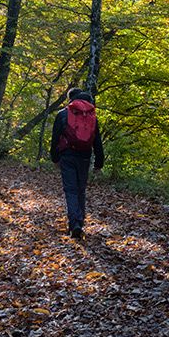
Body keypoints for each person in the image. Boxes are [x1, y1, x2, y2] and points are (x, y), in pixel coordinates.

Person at [50, 87, 105, 239]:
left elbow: (55, 138)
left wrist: (55, 158)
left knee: (71, 190)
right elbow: (97, 141)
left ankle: (74, 223)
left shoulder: (63, 114)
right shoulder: (92, 116)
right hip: (85, 157)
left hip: (67, 156)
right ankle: (79, 222)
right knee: (81, 190)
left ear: (70, 99)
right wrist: (99, 163)